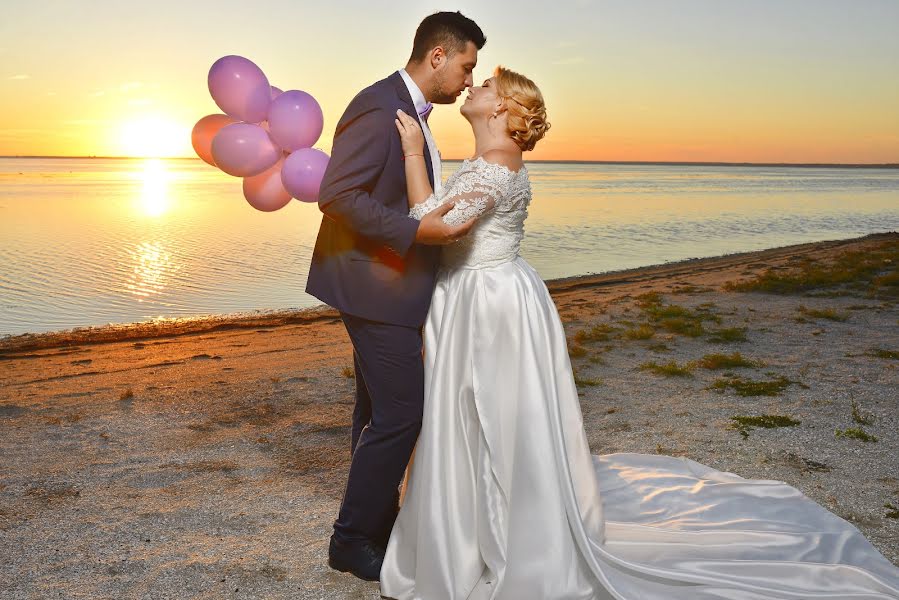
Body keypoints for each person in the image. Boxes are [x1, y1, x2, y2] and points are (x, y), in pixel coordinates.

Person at [380, 66, 899, 599]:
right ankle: (472, 524)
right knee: (478, 413)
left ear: (502, 110)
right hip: (479, 294)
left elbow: (433, 227)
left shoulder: (496, 166)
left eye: (485, 85)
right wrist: (419, 161)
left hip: (486, 303)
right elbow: (433, 218)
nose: (473, 87)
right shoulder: (487, 162)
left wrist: (414, 155)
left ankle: (494, 532)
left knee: (489, 411)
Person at [305, 11, 486, 582]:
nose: (466, 78)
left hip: (390, 286)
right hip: (370, 286)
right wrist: (416, 233)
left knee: (378, 411)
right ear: (438, 56)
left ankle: (374, 522)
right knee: (403, 414)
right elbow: (335, 194)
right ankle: (351, 541)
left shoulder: (410, 112)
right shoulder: (379, 104)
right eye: (465, 65)